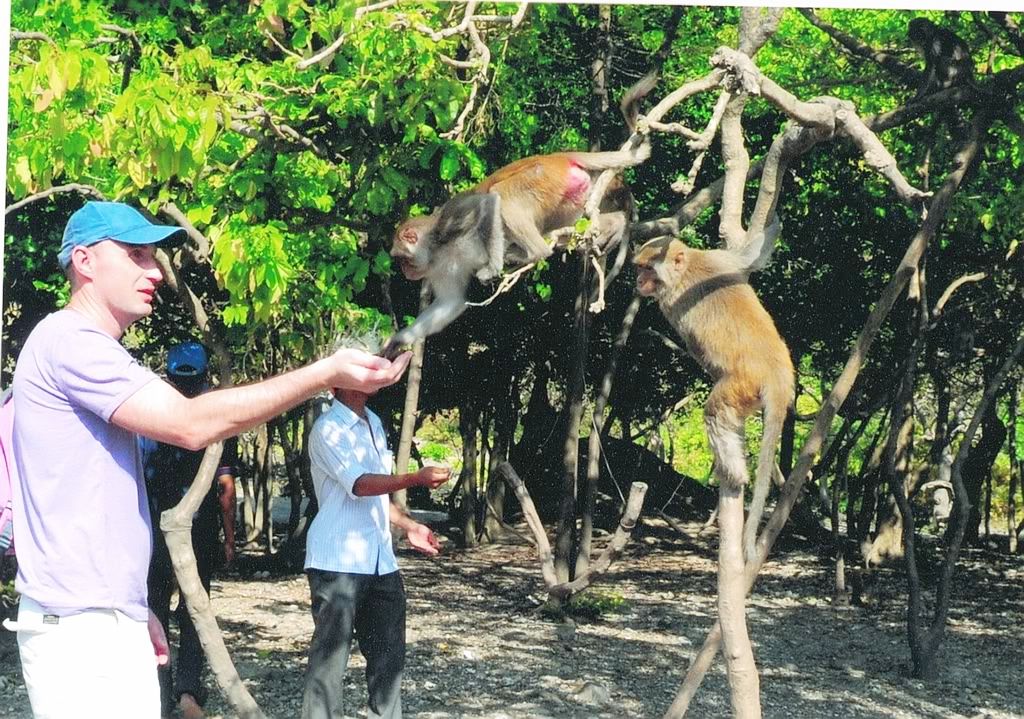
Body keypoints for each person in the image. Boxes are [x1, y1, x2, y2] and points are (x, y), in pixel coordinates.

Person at [7, 201, 412, 719]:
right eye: (136, 255)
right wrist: (323, 372)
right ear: (84, 262)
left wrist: (133, 608)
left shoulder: (84, 347)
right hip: (82, 630)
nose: (154, 270)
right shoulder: (72, 342)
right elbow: (192, 424)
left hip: (101, 618)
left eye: (153, 255)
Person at [302, 356, 449, 719]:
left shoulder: (375, 423)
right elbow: (360, 484)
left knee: (389, 661)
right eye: (358, 371)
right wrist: (415, 478)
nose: (368, 377)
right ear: (337, 382)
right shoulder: (327, 429)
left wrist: (409, 526)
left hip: (380, 559)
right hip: (337, 561)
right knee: (329, 666)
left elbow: (378, 496)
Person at [142, 341, 238, 719]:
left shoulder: (149, 419)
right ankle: (189, 694)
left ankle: (159, 696)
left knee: (155, 614)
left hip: (154, 533)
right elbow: (225, 488)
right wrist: (229, 538)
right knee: (195, 611)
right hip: (198, 533)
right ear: (205, 379)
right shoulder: (214, 422)